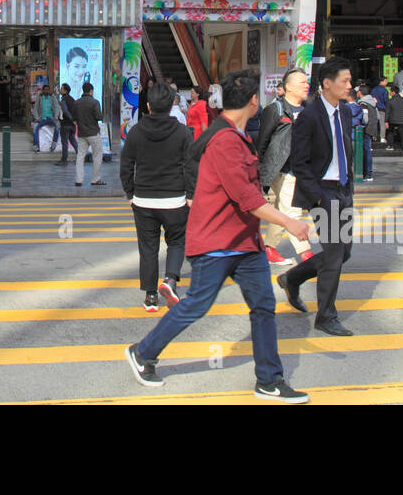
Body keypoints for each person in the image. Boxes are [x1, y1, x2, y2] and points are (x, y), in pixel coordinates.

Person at [125, 71, 312, 401]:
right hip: (217, 242)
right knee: (197, 304)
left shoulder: (234, 134)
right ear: (254, 100)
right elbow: (248, 198)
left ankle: (269, 379)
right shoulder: (226, 140)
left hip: (244, 242)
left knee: (263, 305)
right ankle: (143, 352)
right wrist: (289, 221)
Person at [279, 58, 358, 337]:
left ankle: (292, 277)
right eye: (344, 81)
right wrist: (318, 198)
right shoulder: (310, 116)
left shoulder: (346, 112)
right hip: (322, 192)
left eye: (350, 81)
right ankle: (326, 316)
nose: (350, 86)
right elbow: (299, 163)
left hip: (343, 189)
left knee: (343, 252)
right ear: (327, 83)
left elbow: (344, 151)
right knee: (335, 254)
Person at [120, 82, 194, 312]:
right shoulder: (183, 132)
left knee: (148, 247)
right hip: (175, 199)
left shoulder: (135, 132)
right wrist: (191, 195)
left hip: (143, 200)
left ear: (149, 106)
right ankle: (170, 280)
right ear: (173, 103)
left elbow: (126, 166)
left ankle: (151, 296)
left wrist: (130, 192)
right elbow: (192, 166)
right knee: (177, 241)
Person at [258, 68, 309, 265]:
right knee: (292, 210)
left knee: (281, 209)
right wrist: (262, 166)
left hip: (301, 168)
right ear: (288, 87)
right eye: (301, 82)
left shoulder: (309, 109)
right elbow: (263, 140)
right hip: (280, 169)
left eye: (306, 82)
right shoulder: (276, 109)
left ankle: (269, 248)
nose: (306, 85)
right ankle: (305, 253)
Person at [73, 81, 106, 187]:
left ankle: (79, 180)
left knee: (80, 156)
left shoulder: (77, 102)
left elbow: (74, 118)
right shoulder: (95, 102)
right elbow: (99, 117)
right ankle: (95, 179)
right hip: (93, 133)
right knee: (97, 156)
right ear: (91, 91)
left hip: (82, 133)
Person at [55, 82, 78, 166]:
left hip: (66, 124)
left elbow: (65, 111)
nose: (60, 90)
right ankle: (80, 158)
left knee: (64, 142)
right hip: (72, 125)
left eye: (61, 89)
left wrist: (71, 119)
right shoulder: (72, 99)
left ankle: (64, 160)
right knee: (73, 141)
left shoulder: (64, 100)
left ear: (65, 91)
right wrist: (74, 120)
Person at [31, 84, 59, 152]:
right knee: (35, 127)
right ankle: (35, 145)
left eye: (48, 90)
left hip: (51, 118)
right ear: (43, 90)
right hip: (42, 118)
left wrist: (56, 116)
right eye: (45, 90)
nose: (46, 91)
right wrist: (37, 117)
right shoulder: (39, 97)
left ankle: (54, 143)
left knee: (58, 126)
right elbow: (35, 108)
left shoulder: (52, 97)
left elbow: (56, 107)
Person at [386, 82, 403, 153]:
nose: (390, 93)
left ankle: (390, 145)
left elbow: (387, 111)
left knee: (390, 132)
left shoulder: (390, 101)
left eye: (390, 91)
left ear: (393, 92)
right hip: (402, 120)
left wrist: (386, 121)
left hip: (392, 120)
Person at [371, 78, 389, 143]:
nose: (386, 82)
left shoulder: (373, 89)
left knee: (374, 123)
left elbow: (372, 98)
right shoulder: (384, 90)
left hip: (374, 108)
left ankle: (374, 136)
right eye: (385, 81)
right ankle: (382, 138)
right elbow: (386, 100)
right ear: (381, 81)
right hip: (382, 108)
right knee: (382, 123)